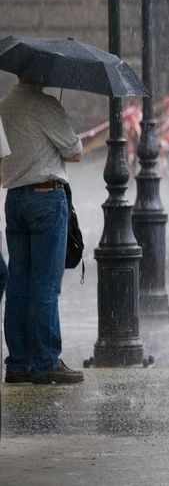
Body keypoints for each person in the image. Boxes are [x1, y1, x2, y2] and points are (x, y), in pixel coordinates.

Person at [0, 77, 84, 385]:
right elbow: (76, 152)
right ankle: (47, 361)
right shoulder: (46, 105)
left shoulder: (4, 106)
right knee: (46, 285)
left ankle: (18, 362)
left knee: (19, 282)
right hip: (46, 197)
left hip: (15, 199)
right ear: (42, 75)